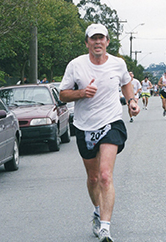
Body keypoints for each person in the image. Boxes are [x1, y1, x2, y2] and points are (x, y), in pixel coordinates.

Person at [59, 23, 140, 242]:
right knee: (93, 177)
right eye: (93, 39)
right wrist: (82, 93)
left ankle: (105, 227)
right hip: (85, 126)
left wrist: (132, 101)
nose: (97, 42)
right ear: (87, 43)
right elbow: (63, 95)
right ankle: (97, 212)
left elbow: (126, 83)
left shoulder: (118, 64)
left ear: (107, 42)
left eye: (101, 38)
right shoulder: (76, 65)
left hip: (111, 123)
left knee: (105, 175)